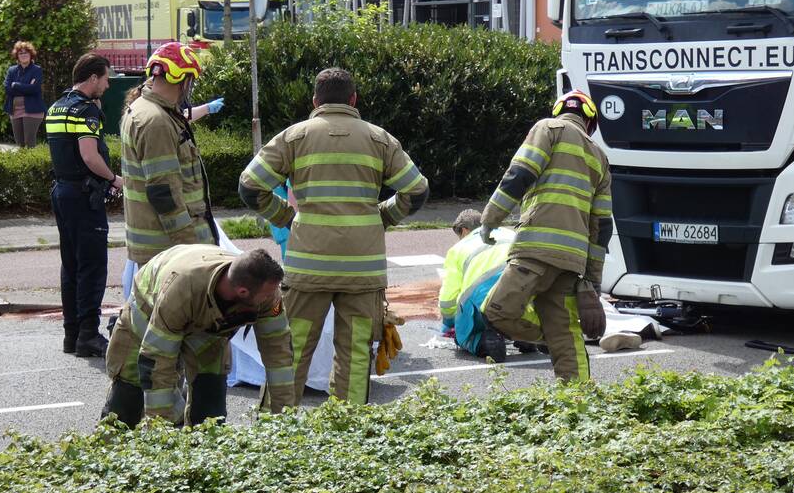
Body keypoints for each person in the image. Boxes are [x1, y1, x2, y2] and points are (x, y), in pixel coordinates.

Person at [238, 67, 429, 405]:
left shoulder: (294, 137)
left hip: (308, 266)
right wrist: (382, 216)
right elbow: (416, 191)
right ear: (353, 100)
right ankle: (347, 432)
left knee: (291, 350)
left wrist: (288, 216)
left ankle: (273, 431)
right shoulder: (380, 139)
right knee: (355, 354)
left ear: (315, 101)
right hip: (363, 269)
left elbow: (250, 186)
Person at [479, 90, 613, 382]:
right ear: (591, 123)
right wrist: (592, 282)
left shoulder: (547, 128)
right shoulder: (599, 157)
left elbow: (519, 175)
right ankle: (578, 400)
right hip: (571, 264)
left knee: (497, 310)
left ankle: (549, 336)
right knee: (565, 330)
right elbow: (602, 227)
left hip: (536, 250)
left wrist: (490, 219)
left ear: (559, 111)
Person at [103, 245, 295, 427]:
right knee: (128, 395)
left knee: (210, 403)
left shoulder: (267, 292)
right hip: (151, 305)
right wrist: (159, 433)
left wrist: (281, 421)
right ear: (242, 292)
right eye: (267, 295)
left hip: (208, 325)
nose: (272, 298)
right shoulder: (180, 291)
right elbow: (156, 361)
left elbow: (279, 351)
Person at [45, 54, 122, 357]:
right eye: (105, 78)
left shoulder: (57, 107)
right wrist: (115, 178)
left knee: (71, 266)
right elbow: (90, 156)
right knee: (92, 267)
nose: (107, 83)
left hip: (62, 192)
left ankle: (72, 334)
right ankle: (89, 336)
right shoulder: (86, 111)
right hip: (83, 196)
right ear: (92, 78)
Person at [120, 42, 218, 269]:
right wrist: (190, 248)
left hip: (161, 247)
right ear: (182, 80)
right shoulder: (157, 122)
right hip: (169, 249)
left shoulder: (145, 109)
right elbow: (164, 193)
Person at [438, 209, 530, 361]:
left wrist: (450, 323)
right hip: (521, 295)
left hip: (485, 301)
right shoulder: (510, 234)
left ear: (464, 230)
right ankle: (525, 333)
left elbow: (448, 299)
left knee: (463, 334)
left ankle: (485, 341)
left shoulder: (458, 249)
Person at [4, 41, 46, 148]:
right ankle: (23, 164)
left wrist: (16, 85)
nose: (23, 55)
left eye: (26, 53)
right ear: (17, 56)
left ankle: (33, 165)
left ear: (31, 55)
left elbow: (35, 89)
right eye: (21, 53)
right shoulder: (12, 70)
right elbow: (7, 89)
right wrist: (27, 87)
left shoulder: (37, 70)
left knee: (29, 143)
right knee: (20, 144)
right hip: (15, 110)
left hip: (32, 110)